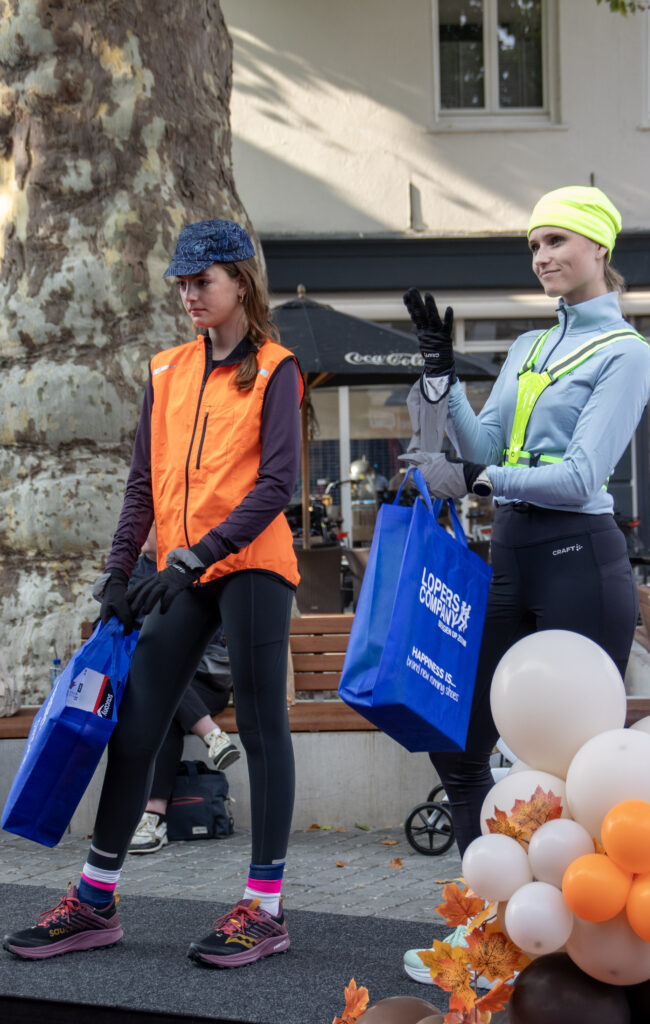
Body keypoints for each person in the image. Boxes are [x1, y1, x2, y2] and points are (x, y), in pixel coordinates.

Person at [4, 219, 303, 968]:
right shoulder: (166, 370)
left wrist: (197, 554)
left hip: (250, 564)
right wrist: (117, 574)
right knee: (136, 727)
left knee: (263, 728)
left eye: (202, 280)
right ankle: (95, 901)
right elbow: (143, 482)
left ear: (240, 281)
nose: (189, 293)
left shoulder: (275, 367)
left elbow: (275, 485)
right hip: (176, 569)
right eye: (182, 282)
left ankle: (263, 909)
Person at [398, 185, 650, 979]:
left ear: (598, 249)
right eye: (532, 246)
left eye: (556, 241)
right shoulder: (526, 348)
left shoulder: (626, 352)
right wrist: (441, 381)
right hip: (507, 556)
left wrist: (472, 478)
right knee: (457, 738)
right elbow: (479, 441)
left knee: (576, 772)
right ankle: (490, 926)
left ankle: (584, 938)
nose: (542, 257)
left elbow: (579, 475)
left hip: (579, 555)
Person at [127, 526, 240, 856]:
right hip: (167, 686)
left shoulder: (191, 565)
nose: (141, 531)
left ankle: (153, 818)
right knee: (162, 703)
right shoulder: (136, 572)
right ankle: (213, 736)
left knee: (162, 684)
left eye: (147, 523)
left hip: (205, 680)